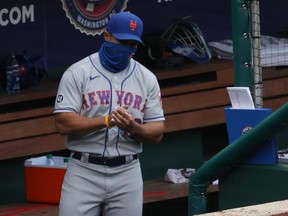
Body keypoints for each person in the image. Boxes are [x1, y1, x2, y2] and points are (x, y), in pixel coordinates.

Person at [54, 11, 165, 216]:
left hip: (127, 170)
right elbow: (63, 123)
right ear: (106, 35)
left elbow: (157, 130)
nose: (127, 48)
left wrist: (133, 128)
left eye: (132, 44)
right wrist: (106, 121)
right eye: (122, 41)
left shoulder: (146, 78)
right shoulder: (78, 73)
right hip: (84, 170)